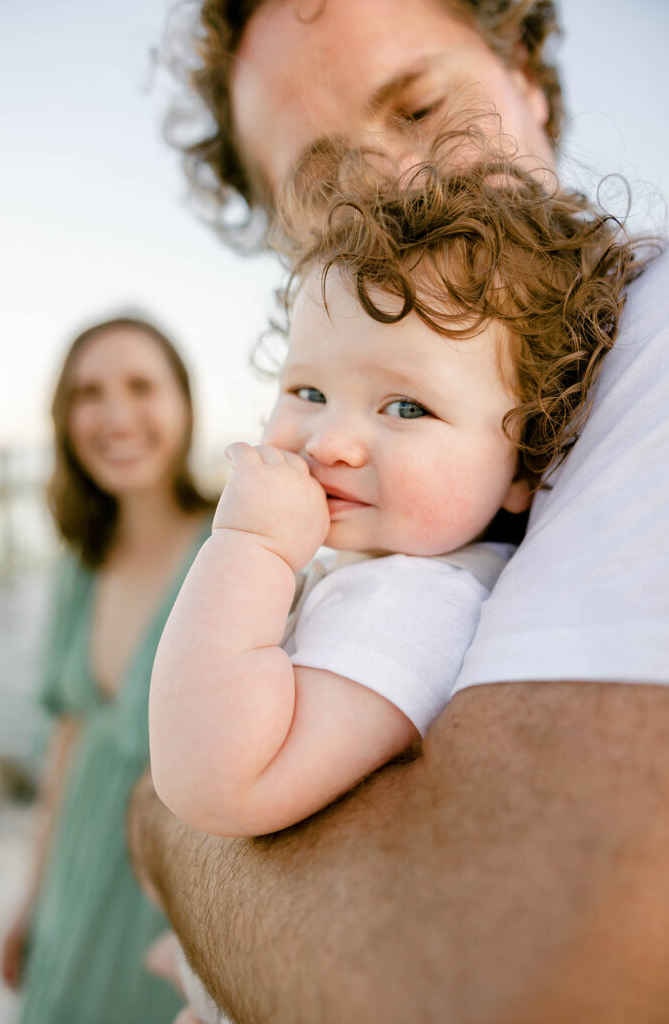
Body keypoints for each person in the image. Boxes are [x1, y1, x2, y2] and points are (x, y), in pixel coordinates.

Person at [129, 2, 669, 1021]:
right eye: (306, 392)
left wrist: (246, 546)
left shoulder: (407, 605)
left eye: (419, 107)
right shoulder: (403, 556)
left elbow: (209, 780)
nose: (396, 186)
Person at [0, 316, 215, 1024]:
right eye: (90, 392)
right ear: (65, 418)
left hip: (167, 900)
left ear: (183, 404)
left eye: (141, 386)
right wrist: (32, 898)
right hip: (72, 877)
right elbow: (66, 742)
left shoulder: (234, 552)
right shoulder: (78, 563)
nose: (116, 415)